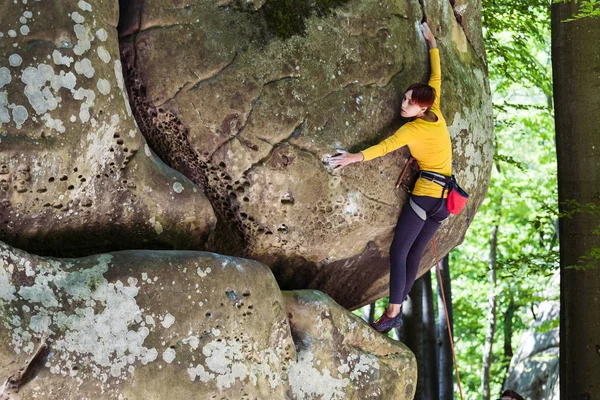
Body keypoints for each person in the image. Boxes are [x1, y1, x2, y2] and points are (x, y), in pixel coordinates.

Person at [327, 21, 452, 333]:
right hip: (445, 201)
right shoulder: (434, 108)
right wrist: (432, 43)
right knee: (413, 253)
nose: (404, 103)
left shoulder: (412, 128)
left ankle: (394, 311)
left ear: (421, 108)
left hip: (426, 195)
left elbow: (384, 147)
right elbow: (436, 77)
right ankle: (396, 308)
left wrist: (350, 158)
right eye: (406, 97)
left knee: (399, 251)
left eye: (410, 102)